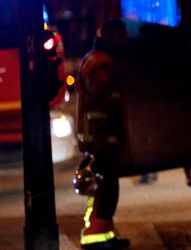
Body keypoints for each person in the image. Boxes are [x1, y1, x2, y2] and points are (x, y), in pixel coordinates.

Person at [75, 19, 130, 249]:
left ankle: (104, 234)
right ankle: (96, 236)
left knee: (100, 187)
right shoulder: (104, 64)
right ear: (109, 36)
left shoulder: (93, 58)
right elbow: (98, 105)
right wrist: (104, 138)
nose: (124, 41)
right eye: (120, 36)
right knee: (108, 188)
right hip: (102, 139)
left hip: (94, 138)